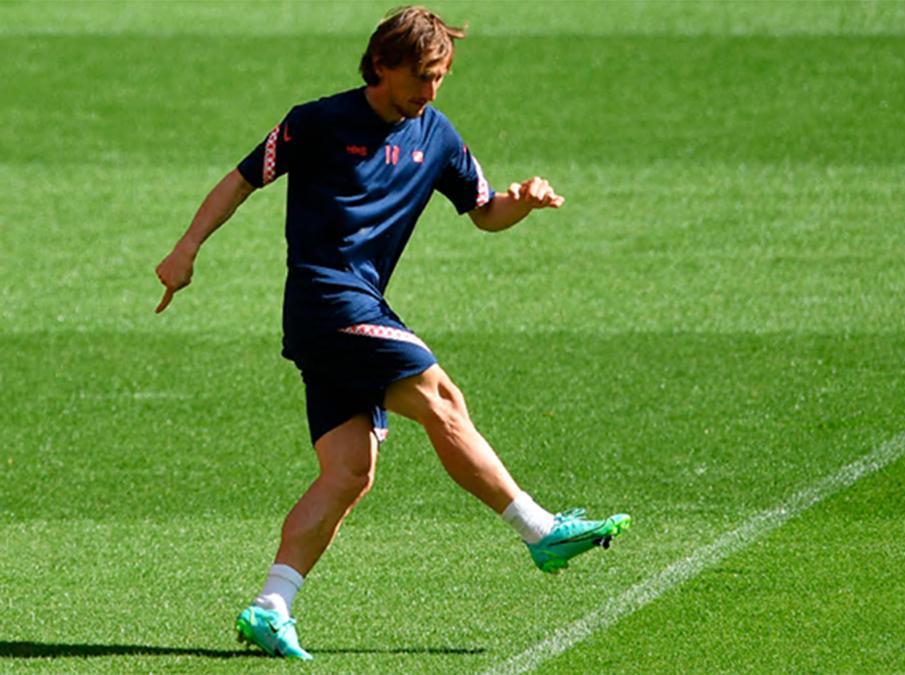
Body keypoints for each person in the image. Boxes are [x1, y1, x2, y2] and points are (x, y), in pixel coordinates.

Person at [154, 5, 630, 661]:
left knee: (350, 470)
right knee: (441, 397)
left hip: (357, 307)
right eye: (422, 77)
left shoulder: (436, 134)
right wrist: (186, 250)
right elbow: (240, 181)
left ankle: (271, 604)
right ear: (381, 64)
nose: (430, 92)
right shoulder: (316, 121)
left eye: (440, 78)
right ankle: (538, 529)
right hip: (325, 301)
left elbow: (483, 211)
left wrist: (521, 202)